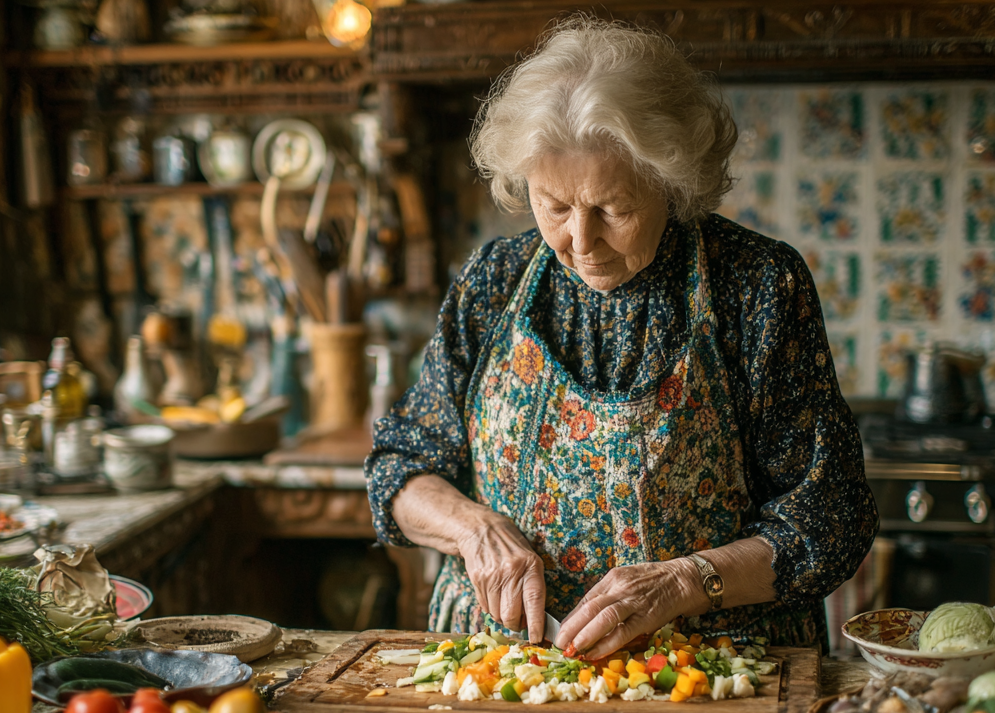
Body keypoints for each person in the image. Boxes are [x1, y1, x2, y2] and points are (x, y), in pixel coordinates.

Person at [364, 19, 878, 658]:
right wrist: (472, 529)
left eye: (613, 209)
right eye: (554, 205)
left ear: (671, 180)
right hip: (503, 664)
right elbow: (401, 468)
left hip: (707, 668)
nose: (580, 242)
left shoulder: (757, 286)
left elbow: (829, 517)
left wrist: (685, 581)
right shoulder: (491, 281)